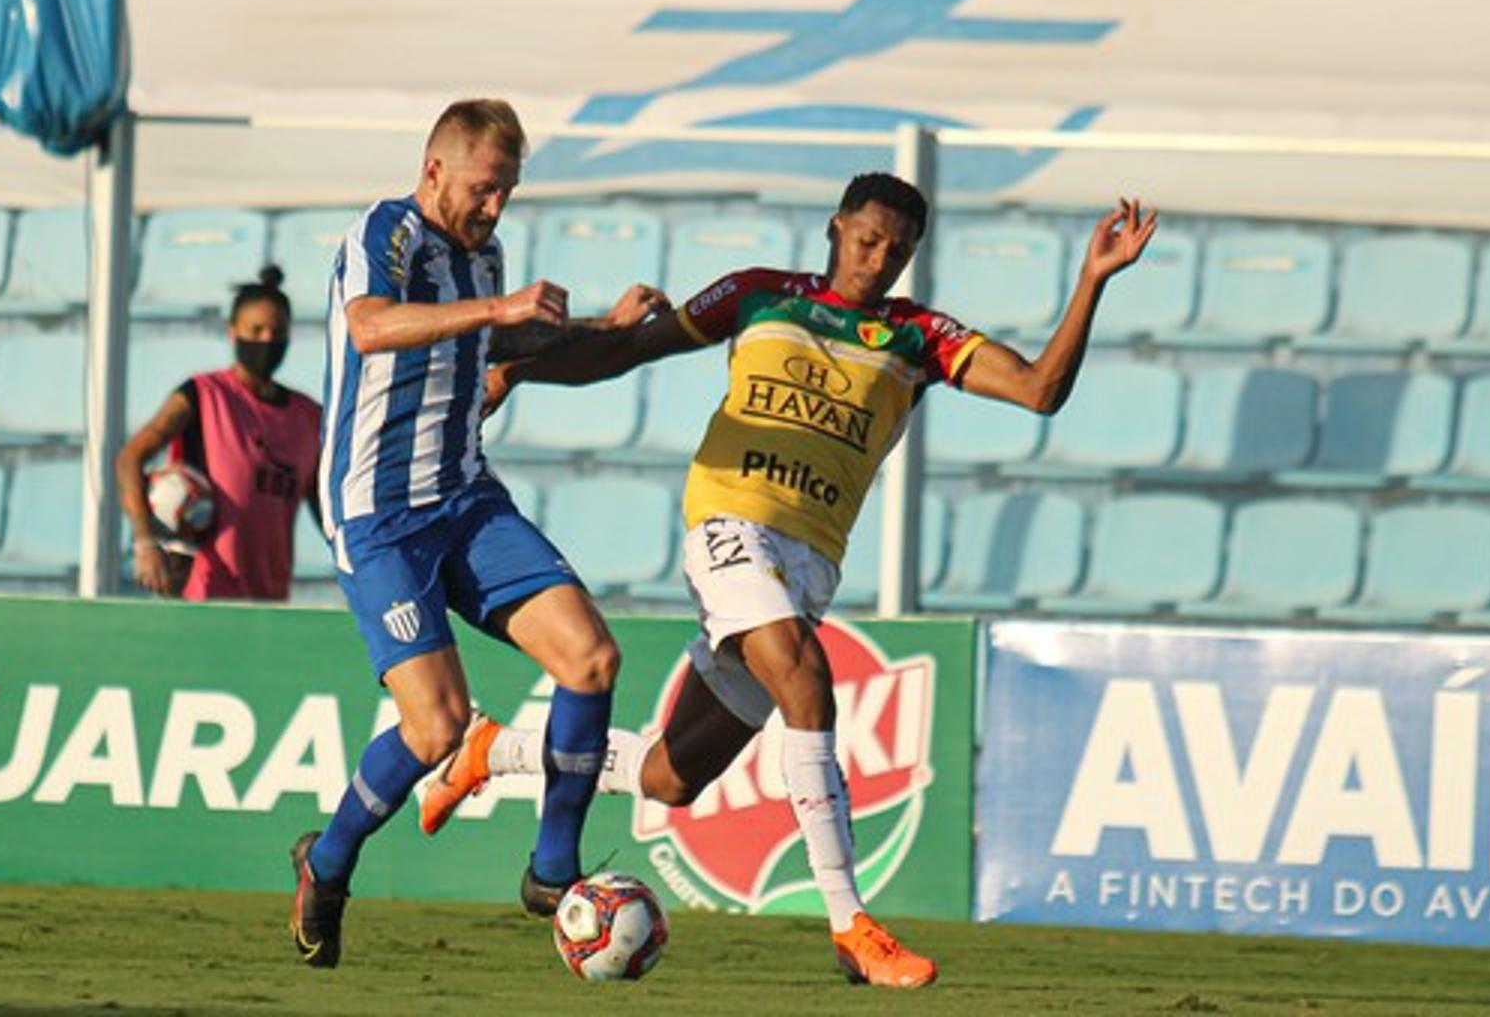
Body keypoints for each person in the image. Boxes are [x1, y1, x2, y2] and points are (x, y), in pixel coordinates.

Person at [420, 175, 1158, 987]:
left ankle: (497, 749)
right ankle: (850, 923)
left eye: (899, 251)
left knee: (674, 775)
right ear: (836, 228)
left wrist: (1091, 281)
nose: (879, 262)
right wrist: (519, 366)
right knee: (807, 679)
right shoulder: (760, 296)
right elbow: (632, 349)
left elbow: (1039, 390)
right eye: (869, 240)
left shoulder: (916, 337)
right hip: (730, 526)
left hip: (807, 564)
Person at [287, 98, 668, 970]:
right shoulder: (386, 233)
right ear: (435, 172)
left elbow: (501, 348)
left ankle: (552, 870)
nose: (496, 209)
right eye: (485, 189)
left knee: (591, 659)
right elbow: (371, 326)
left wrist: (598, 330)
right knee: (437, 728)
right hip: (379, 517)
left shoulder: (481, 254)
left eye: (509, 192)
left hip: (463, 496)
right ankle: (330, 861)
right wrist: (499, 312)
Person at [117, 266, 322, 602]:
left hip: (270, 599)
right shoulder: (202, 395)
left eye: (277, 331)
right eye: (255, 330)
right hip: (203, 592)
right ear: (232, 332)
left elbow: (323, 504)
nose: (267, 340)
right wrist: (144, 542)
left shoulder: (308, 416)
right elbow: (130, 458)